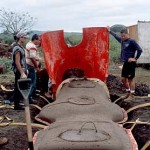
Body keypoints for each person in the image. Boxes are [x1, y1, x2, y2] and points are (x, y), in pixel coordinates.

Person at [108, 27, 143, 100]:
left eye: (124, 36)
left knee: (130, 79)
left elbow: (139, 50)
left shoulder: (132, 41)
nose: (122, 37)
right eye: (121, 36)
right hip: (125, 63)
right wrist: (110, 31)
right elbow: (116, 36)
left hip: (131, 63)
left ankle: (132, 95)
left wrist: (135, 58)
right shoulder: (122, 40)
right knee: (123, 79)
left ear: (127, 34)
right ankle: (128, 92)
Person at [12, 32, 29, 110]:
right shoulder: (17, 48)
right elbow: (17, 61)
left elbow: (23, 61)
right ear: (20, 38)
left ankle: (18, 103)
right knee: (18, 87)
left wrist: (25, 70)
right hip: (19, 70)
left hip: (22, 69)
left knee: (20, 87)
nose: (25, 39)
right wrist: (22, 73)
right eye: (24, 38)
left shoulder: (20, 47)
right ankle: (16, 105)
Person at [25, 34, 41, 104]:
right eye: (39, 40)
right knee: (32, 82)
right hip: (31, 66)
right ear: (35, 39)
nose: (39, 41)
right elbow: (32, 57)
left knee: (30, 82)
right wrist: (36, 67)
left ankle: (31, 95)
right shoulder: (32, 47)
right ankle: (30, 98)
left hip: (28, 65)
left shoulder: (29, 44)